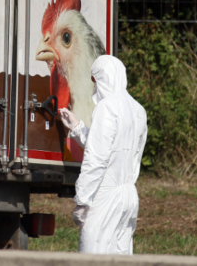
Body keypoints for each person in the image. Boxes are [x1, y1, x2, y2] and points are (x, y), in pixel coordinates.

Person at [59, 55, 147, 254]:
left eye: (94, 80)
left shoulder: (106, 107)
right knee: (120, 255)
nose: (94, 86)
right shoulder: (138, 110)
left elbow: (96, 159)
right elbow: (118, 150)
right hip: (128, 197)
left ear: (102, 78)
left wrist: (82, 200)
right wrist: (78, 127)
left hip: (105, 198)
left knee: (94, 255)